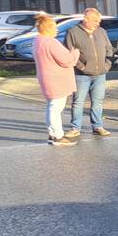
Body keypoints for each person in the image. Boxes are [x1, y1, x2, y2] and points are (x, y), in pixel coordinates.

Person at [64, 8, 113, 138]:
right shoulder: (73, 32)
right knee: (78, 102)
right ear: (86, 19)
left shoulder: (101, 32)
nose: (98, 23)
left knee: (98, 102)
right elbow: (69, 53)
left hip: (100, 74)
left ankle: (97, 126)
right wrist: (82, 67)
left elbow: (109, 50)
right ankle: (75, 128)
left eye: (99, 21)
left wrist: (107, 66)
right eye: (95, 21)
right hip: (81, 75)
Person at [32, 13, 80, 146]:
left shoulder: (37, 41)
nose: (57, 30)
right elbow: (66, 61)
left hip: (47, 78)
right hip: (56, 80)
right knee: (56, 108)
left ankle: (52, 134)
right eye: (55, 27)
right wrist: (75, 53)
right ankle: (58, 136)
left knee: (51, 107)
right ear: (48, 28)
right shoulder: (51, 42)